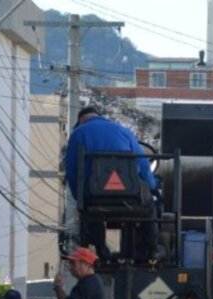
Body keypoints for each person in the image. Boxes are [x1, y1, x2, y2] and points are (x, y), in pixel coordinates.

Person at [64, 105, 161, 262]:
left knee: (91, 215)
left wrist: (79, 198)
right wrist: (152, 187)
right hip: (130, 197)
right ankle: (153, 250)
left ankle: (101, 250)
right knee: (150, 206)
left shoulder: (78, 134)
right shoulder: (124, 131)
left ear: (81, 121)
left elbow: (71, 170)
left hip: (95, 198)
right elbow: (143, 165)